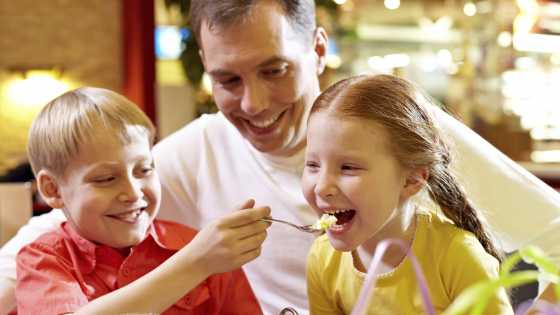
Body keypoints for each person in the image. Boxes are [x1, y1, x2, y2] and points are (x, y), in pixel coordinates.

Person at [1, 1, 560, 314]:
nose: (255, 104)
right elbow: (55, 229)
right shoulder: (195, 151)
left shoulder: (402, 128)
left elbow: (550, 234)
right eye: (228, 79)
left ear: (317, 49)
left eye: (275, 70)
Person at [14, 87, 269, 315]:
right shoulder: (44, 260)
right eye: (106, 179)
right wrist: (194, 264)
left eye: (144, 170)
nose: (134, 192)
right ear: (53, 189)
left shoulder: (201, 247)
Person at [303, 74, 512, 314]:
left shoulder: (458, 258)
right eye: (312, 165)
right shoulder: (322, 259)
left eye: (348, 167)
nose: (321, 187)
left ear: (412, 180)